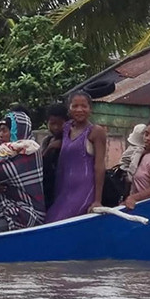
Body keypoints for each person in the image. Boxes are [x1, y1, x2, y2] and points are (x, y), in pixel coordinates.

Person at [44, 91, 107, 223]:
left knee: (62, 222)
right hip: (63, 189)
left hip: (84, 189)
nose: (79, 110)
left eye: (84, 106)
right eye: (75, 106)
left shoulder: (96, 132)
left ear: (90, 109)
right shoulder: (66, 128)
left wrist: (97, 200)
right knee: (51, 220)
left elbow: (99, 166)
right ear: (69, 109)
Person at [0, 112, 45, 234]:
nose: (0, 135)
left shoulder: (32, 151)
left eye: (4, 131)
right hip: (2, 207)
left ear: (17, 131)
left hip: (28, 211)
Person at [42, 103, 69, 208]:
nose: (56, 127)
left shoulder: (70, 141)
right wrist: (50, 148)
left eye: (60, 124)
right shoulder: (47, 141)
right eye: (52, 123)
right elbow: (40, 163)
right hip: (48, 189)